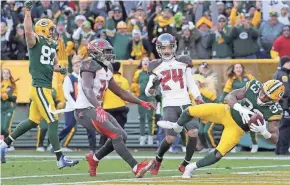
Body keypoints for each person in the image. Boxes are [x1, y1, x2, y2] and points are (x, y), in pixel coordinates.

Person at [0, 0, 78, 168]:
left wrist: (61, 69)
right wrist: (28, 12)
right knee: (53, 119)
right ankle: (60, 159)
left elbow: (54, 64)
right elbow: (28, 32)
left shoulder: (52, 45)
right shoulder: (34, 41)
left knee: (33, 121)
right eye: (50, 29)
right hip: (40, 88)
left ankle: (4, 145)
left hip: (46, 88)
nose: (52, 32)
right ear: (42, 29)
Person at [157, 79, 285, 178]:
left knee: (219, 153)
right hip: (226, 111)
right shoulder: (254, 85)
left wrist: (264, 132)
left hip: (237, 128)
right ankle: (178, 127)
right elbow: (229, 96)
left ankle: (191, 167)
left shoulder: (275, 110)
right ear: (261, 87)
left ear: (275, 101)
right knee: (190, 111)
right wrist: (239, 108)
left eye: (268, 97)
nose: (262, 97)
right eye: (263, 93)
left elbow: (275, 139)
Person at [74, 39, 156, 178]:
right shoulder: (88, 65)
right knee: (115, 135)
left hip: (96, 109)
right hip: (84, 110)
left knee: (122, 136)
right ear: (95, 53)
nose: (109, 54)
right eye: (106, 52)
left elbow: (121, 92)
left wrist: (140, 102)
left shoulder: (107, 68)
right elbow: (87, 89)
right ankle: (136, 167)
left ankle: (94, 159)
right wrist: (98, 107)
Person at [145, 33, 204, 175]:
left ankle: (185, 164)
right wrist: (153, 86)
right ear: (158, 49)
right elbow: (148, 92)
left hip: (185, 103)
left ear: (174, 47)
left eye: (169, 47)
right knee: (170, 138)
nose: (166, 51)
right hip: (169, 104)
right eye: (163, 48)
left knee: (193, 133)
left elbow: (190, 82)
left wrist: (198, 97)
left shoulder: (183, 61)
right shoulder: (155, 66)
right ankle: (158, 159)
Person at [59, 55, 97, 152]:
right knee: (69, 126)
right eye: (76, 65)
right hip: (72, 107)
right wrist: (75, 105)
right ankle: (54, 143)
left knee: (90, 127)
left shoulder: (85, 77)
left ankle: (92, 148)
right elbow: (67, 94)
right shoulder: (69, 78)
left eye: (80, 65)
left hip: (86, 106)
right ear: (73, 66)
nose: (78, 67)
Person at [219, 63, 257, 152]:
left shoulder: (249, 77)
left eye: (240, 67)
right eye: (236, 67)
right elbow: (225, 91)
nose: (238, 69)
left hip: (249, 104)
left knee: (252, 124)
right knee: (234, 125)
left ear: (243, 68)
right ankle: (233, 146)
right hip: (237, 105)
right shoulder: (231, 80)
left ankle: (254, 144)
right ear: (233, 70)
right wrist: (220, 102)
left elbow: (257, 86)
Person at [101, 61, 130, 147]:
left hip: (107, 108)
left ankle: (102, 146)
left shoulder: (106, 80)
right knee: (120, 129)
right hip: (120, 108)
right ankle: (120, 146)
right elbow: (127, 96)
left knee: (105, 129)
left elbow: (101, 94)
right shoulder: (124, 81)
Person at [131, 57, 156, 146]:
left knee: (150, 117)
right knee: (142, 117)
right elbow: (134, 83)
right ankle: (142, 137)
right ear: (141, 63)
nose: (145, 62)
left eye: (147, 60)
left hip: (150, 97)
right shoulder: (138, 72)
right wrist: (135, 89)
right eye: (143, 60)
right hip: (140, 97)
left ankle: (150, 137)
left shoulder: (153, 72)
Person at [273, 56, 290, 155]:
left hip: (279, 104)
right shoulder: (284, 75)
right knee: (286, 127)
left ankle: (279, 149)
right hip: (284, 104)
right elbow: (286, 91)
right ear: (285, 63)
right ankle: (283, 149)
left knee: (283, 127)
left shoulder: (277, 74)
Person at [1, 68, 18, 152]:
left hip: (10, 109)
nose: (6, 74)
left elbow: (15, 98)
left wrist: (8, 97)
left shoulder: (13, 85)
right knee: (1, 128)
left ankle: (9, 144)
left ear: (9, 74)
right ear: (2, 74)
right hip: (1, 108)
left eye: (7, 73)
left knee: (6, 128)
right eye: (4, 73)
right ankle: (2, 144)